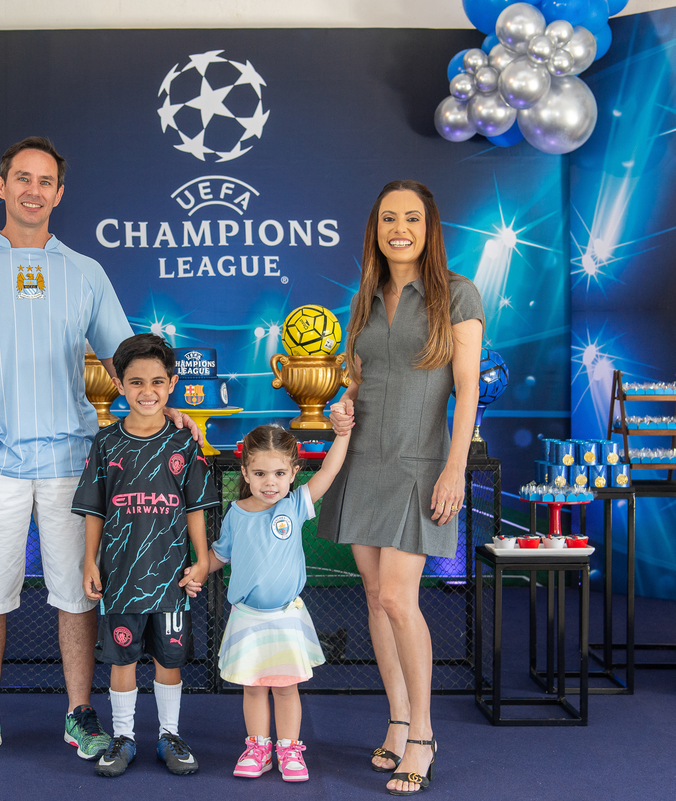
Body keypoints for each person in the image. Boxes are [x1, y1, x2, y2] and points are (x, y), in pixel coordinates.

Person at [0, 137, 196, 766]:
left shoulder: (85, 272)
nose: (33, 190)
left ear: (59, 194)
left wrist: (163, 408)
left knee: (78, 596)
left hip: (73, 466)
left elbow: (128, 358)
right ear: (2, 186)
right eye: (22, 178)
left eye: (45, 181)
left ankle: (80, 714)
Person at [316, 179, 484, 796]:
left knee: (397, 597)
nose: (400, 229)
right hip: (362, 460)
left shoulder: (457, 294)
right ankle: (397, 721)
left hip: (420, 464)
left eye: (412, 217)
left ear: (429, 226)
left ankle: (424, 736)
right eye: (389, 218)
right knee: (373, 596)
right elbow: (359, 379)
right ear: (376, 228)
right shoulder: (364, 297)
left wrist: (454, 467)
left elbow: (466, 389)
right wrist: (343, 404)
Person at [72, 334, 219, 778]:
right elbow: (94, 510)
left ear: (172, 384)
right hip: (120, 576)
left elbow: (195, 508)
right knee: (122, 660)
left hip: (171, 577)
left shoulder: (184, 442)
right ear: (119, 385)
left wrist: (201, 559)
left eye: (157, 382)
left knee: (169, 660)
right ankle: (123, 736)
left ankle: (169, 734)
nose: (147, 391)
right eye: (136, 382)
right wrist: (89, 560)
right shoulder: (106, 443)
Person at [203, 421, 350, 783]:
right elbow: (218, 556)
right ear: (245, 473)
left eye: (279, 473)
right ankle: (258, 749)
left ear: (294, 473)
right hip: (247, 618)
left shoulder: (296, 505)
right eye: (260, 473)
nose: (270, 482)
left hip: (285, 618)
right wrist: (195, 572)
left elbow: (329, 471)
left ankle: (289, 749)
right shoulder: (235, 514)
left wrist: (343, 434)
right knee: (254, 687)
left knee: (285, 687)